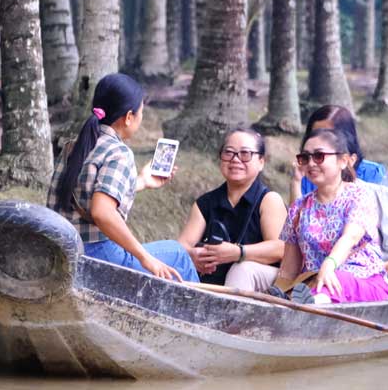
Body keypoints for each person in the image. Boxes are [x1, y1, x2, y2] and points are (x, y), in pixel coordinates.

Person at [48, 74, 199, 282]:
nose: (141, 118)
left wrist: (143, 181)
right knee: (178, 254)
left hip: (61, 248)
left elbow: (88, 192)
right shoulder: (119, 152)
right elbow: (101, 212)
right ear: (129, 117)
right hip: (95, 254)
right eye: (141, 113)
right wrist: (145, 258)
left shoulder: (73, 146)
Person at [291, 105, 388, 288]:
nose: (321, 139)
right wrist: (295, 182)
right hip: (316, 273)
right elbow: (295, 232)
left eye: (329, 133)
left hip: (364, 273)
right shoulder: (309, 180)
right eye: (316, 133)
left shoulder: (370, 185)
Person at [278, 128, 388, 304]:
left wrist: (329, 264)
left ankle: (313, 306)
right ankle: (309, 304)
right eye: (305, 158)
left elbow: (350, 237)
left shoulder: (360, 196)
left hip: (363, 284)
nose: (311, 163)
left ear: (343, 161)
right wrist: (277, 293)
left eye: (319, 156)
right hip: (313, 284)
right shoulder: (298, 208)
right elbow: (288, 271)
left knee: (338, 279)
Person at [176, 128, 285, 291]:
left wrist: (238, 253)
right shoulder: (205, 203)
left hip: (258, 288)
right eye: (229, 152)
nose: (235, 160)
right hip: (210, 285)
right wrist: (193, 255)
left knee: (241, 270)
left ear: (261, 161)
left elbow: (280, 249)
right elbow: (181, 246)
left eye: (245, 154)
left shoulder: (269, 200)